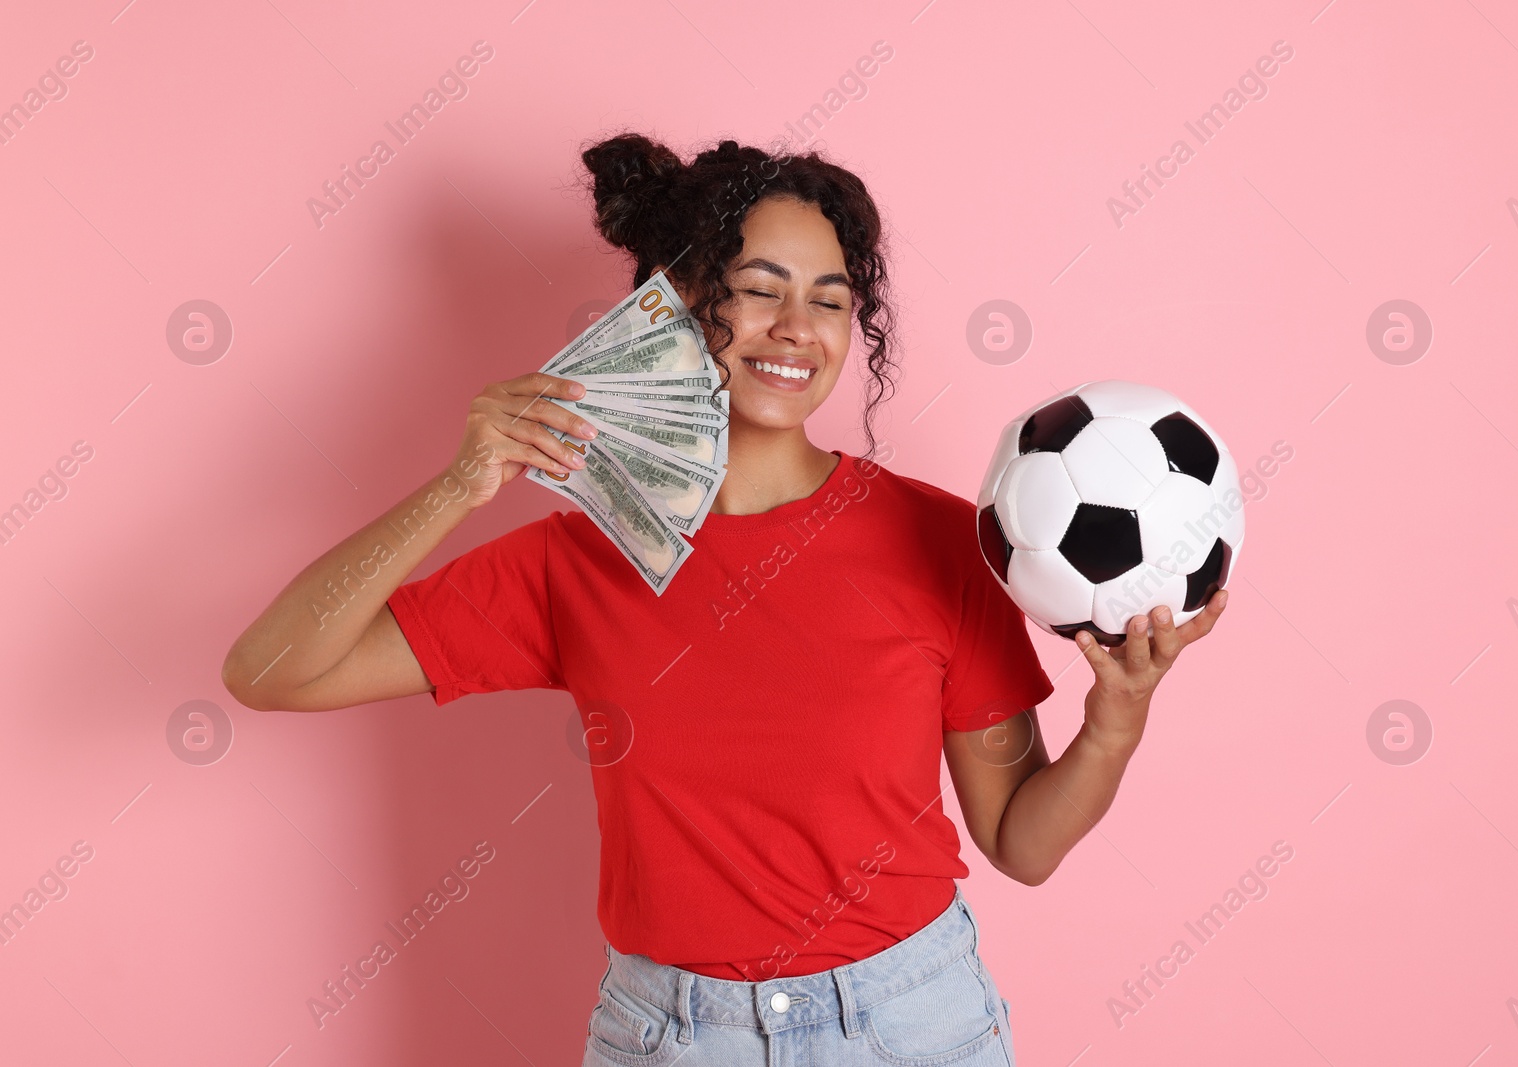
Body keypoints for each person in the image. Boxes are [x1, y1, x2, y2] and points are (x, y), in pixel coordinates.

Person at [221, 132, 1227, 1066]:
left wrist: (1114, 718)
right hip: (670, 1034)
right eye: (758, 289)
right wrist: (459, 484)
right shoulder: (575, 562)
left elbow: (1021, 842)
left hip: (913, 1023)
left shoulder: (939, 541)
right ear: (678, 298)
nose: (796, 329)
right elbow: (268, 671)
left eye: (830, 300)